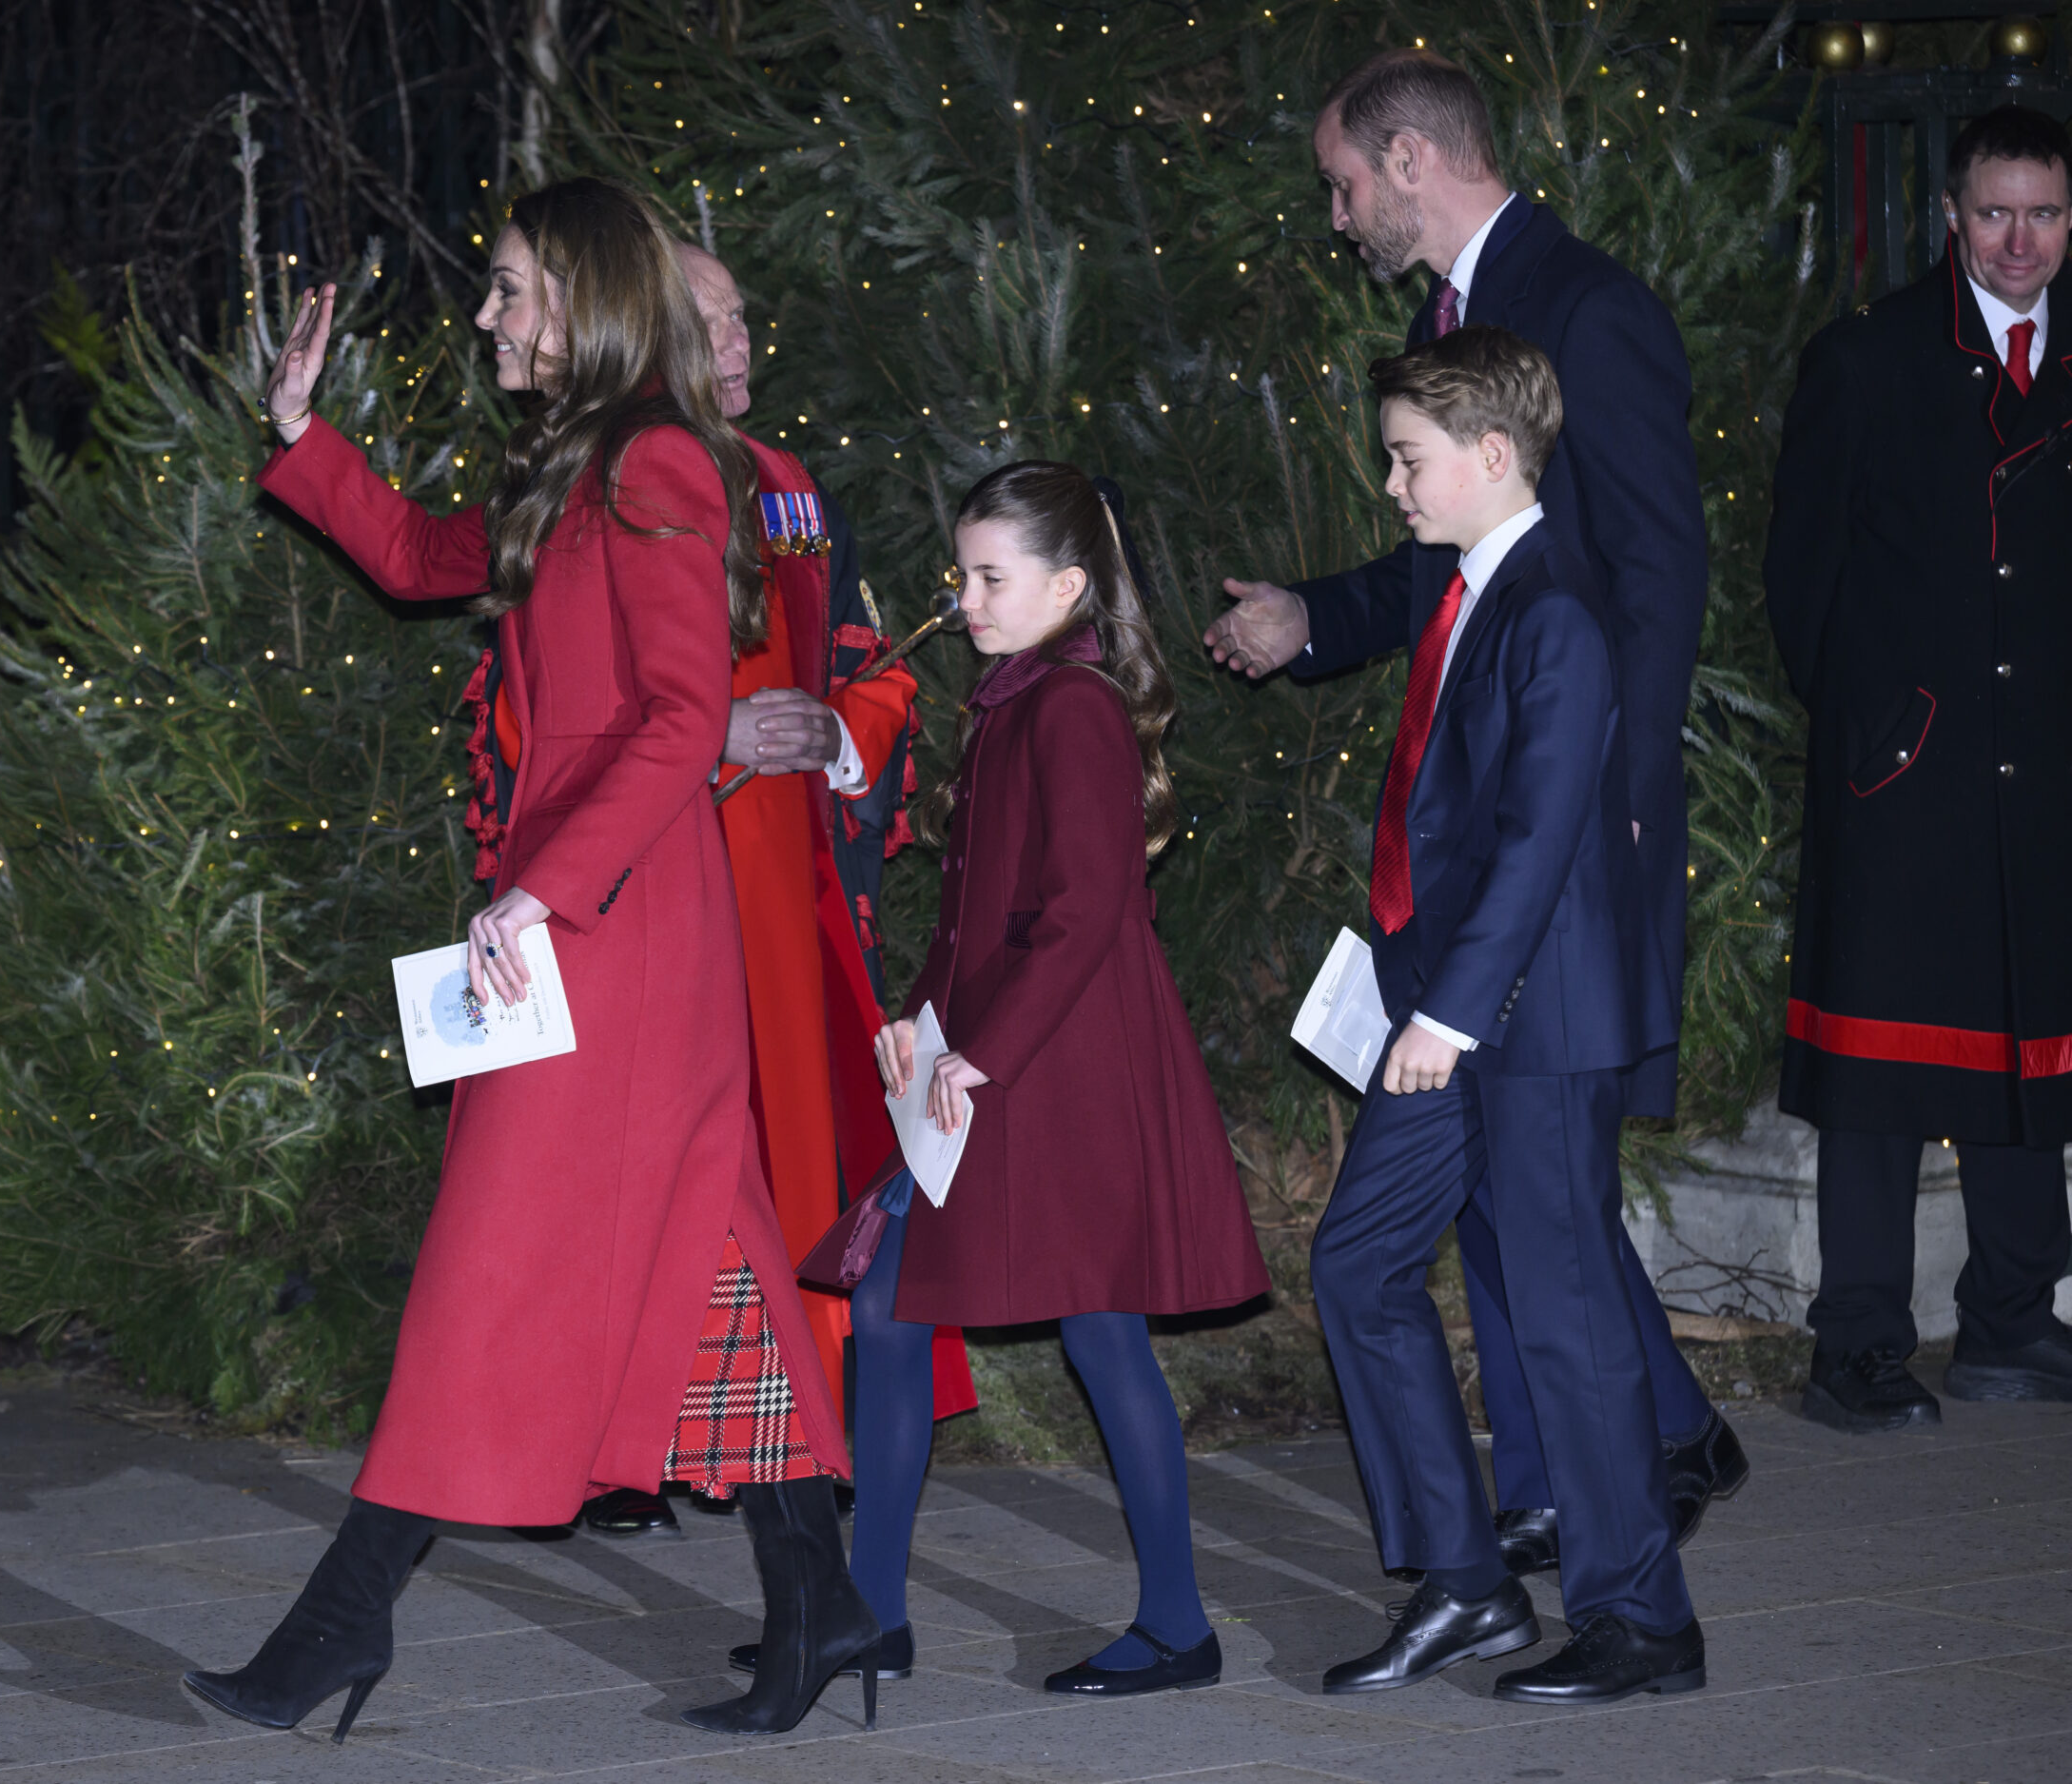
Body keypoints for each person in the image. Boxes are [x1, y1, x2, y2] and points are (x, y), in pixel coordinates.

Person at [181, 178, 877, 1740]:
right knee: (708, 1262)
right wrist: (305, 441)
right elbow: (437, 561)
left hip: (606, 929)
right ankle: (821, 1605)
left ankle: (332, 1635)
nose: (487, 315)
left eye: (505, 289)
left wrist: (540, 895)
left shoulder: (653, 465)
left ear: (575, 296)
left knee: (487, 1279)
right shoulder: (580, 461)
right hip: (605, 923)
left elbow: (683, 717)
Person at [1204, 46, 1743, 1578]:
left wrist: (1607, 815)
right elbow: (1464, 562)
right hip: (1490, 846)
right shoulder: (1465, 325)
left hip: (1566, 843)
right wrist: (1317, 616)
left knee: (1528, 1178)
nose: (1336, 213)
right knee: (1509, 1183)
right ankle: (1632, 1449)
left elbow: (1656, 579)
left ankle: (1611, 1495)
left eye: (1344, 182)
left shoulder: (1589, 310)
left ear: (1414, 162)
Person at [1308, 326, 1702, 1704]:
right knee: (1359, 1272)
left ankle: (1643, 1620)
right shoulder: (1478, 590)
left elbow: (1539, 839)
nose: (1395, 488)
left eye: (1409, 462)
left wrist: (1454, 1013)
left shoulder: (1554, 607)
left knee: (1565, 1319)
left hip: (1525, 1024)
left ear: (1490, 455)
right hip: (1459, 1012)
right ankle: (1468, 1586)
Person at [576, 244, 976, 1538]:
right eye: (710, 324)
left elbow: (868, 664)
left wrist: (838, 727)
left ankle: (780, 1463)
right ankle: (630, 1442)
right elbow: (555, 707)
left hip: (781, 902)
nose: (743, 344)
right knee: (649, 1179)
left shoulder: (797, 500)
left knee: (782, 1180)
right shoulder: (598, 492)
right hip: (650, 891)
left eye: (746, 317)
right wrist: (711, 746)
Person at [852, 461, 1272, 1696]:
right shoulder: (1018, 699)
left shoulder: (1070, 707)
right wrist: (926, 1034)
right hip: (999, 1053)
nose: (967, 597)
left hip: (1056, 1065)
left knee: (1096, 1331)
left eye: (992, 577)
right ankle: (873, 1610)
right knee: (904, 1301)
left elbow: (1086, 911)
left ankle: (1176, 1625)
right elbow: (985, 911)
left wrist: (974, 1057)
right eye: (964, 573)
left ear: (1069, 586)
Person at [1765, 106, 2072, 1432]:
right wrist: (1873, 732)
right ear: (1951, 214)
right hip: (1907, 773)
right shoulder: (1869, 358)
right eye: (1995, 212)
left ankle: (2010, 1323)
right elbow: (1802, 584)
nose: (2019, 241)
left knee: (2033, 1062)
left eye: (2046, 214)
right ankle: (1860, 1348)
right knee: (1879, 1079)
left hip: (2048, 774)